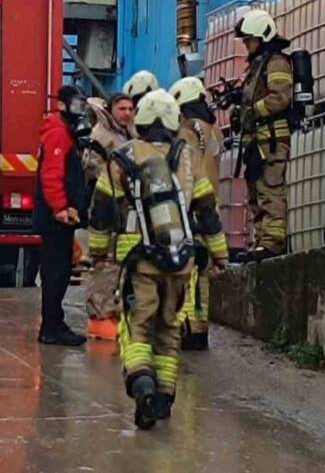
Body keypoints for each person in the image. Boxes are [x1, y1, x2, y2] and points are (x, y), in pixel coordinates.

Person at [88, 90, 228, 429]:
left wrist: (98, 251)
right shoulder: (188, 159)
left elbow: (103, 211)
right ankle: (163, 399)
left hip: (139, 262)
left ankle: (143, 387)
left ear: (142, 120)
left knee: (137, 327)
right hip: (181, 262)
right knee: (168, 331)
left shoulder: (122, 158)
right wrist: (219, 254)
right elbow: (207, 210)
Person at [170, 77, 225, 351]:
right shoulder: (214, 130)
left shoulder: (187, 129)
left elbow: (186, 170)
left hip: (191, 206)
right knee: (202, 272)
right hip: (211, 205)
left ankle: (189, 330)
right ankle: (200, 329)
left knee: (187, 271)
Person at [33, 84, 90, 347]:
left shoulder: (63, 132)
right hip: (57, 216)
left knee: (60, 269)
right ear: (63, 105)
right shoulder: (58, 133)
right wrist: (60, 208)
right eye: (76, 104)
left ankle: (54, 322)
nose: (80, 110)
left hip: (61, 214)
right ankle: (51, 325)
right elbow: (52, 174)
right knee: (56, 271)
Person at [236, 9, 293, 260]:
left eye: (250, 39)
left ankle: (273, 242)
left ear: (263, 36)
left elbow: (280, 97)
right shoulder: (257, 65)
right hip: (256, 140)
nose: (247, 44)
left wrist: (253, 110)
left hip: (271, 139)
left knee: (270, 188)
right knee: (255, 191)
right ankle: (260, 240)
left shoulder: (276, 62)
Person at [81, 93, 135, 341]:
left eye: (130, 108)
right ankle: (100, 317)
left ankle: (114, 312)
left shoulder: (129, 134)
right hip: (106, 206)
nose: (127, 112)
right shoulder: (101, 136)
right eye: (122, 108)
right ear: (111, 110)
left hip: (126, 209)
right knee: (102, 263)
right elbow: (92, 169)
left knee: (121, 262)